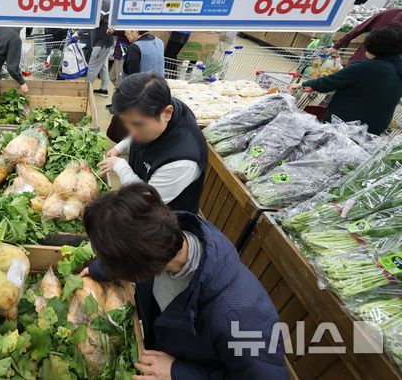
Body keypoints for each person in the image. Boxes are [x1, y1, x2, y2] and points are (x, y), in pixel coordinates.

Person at [81, 183, 289, 380]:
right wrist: (99, 269)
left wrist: (178, 372)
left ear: (140, 269)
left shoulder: (241, 315)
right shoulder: (162, 238)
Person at [98, 72, 208, 213]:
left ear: (167, 113)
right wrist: (121, 146)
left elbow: (145, 201)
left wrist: (120, 166)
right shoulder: (157, 106)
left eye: (138, 124)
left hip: (166, 220)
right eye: (126, 122)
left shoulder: (181, 161)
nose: (131, 131)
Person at [289, 26, 402, 135]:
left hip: (346, 124)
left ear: (375, 47)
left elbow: (330, 82)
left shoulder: (366, 66)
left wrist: (303, 84)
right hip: (375, 127)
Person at [329, 7, 402, 64]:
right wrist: (337, 46)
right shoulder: (389, 14)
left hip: (385, 71)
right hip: (361, 60)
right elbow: (358, 29)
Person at [82, 0, 114, 97]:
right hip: (105, 41)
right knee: (103, 66)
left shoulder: (104, 2)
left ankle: (85, 93)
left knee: (92, 67)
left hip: (101, 42)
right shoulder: (105, 0)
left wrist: (79, 32)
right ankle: (104, 89)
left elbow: (94, 21)